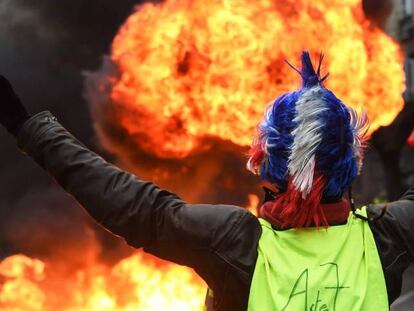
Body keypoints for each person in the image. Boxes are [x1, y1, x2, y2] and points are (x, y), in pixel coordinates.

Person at [0, 51, 413, 311]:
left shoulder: (235, 243)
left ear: (264, 158)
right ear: (351, 160)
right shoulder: (388, 237)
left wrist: (25, 126)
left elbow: (130, 206)